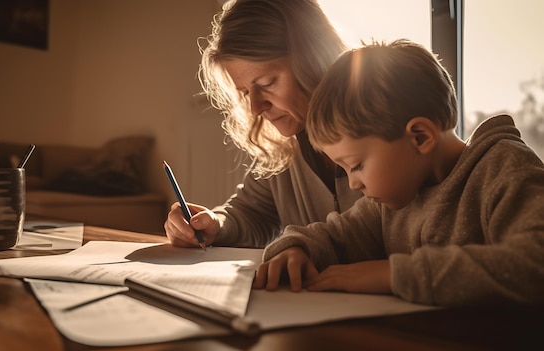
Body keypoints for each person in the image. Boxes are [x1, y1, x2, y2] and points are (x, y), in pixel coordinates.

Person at [253, 39, 544, 307]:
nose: (353, 184)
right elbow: (336, 236)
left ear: (419, 137)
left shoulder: (505, 168)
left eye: (356, 165)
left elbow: (533, 262)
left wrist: (394, 274)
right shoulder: (389, 203)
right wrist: (297, 249)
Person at [164, 0, 362, 248]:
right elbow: (250, 214)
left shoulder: (383, 129)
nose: (256, 108)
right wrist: (213, 223)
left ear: (315, 59)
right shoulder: (285, 145)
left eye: (267, 83)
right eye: (246, 93)